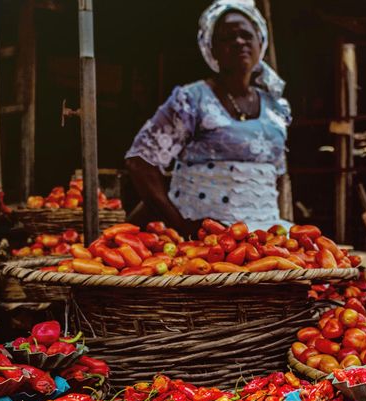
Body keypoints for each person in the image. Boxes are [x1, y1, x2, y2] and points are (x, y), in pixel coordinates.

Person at [125, 0, 292, 234]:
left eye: (246, 35)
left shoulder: (277, 107)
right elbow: (140, 163)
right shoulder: (191, 100)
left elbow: (275, 175)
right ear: (210, 48)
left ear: (260, 42)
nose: (239, 42)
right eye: (227, 37)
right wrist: (180, 225)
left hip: (264, 236)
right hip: (204, 239)